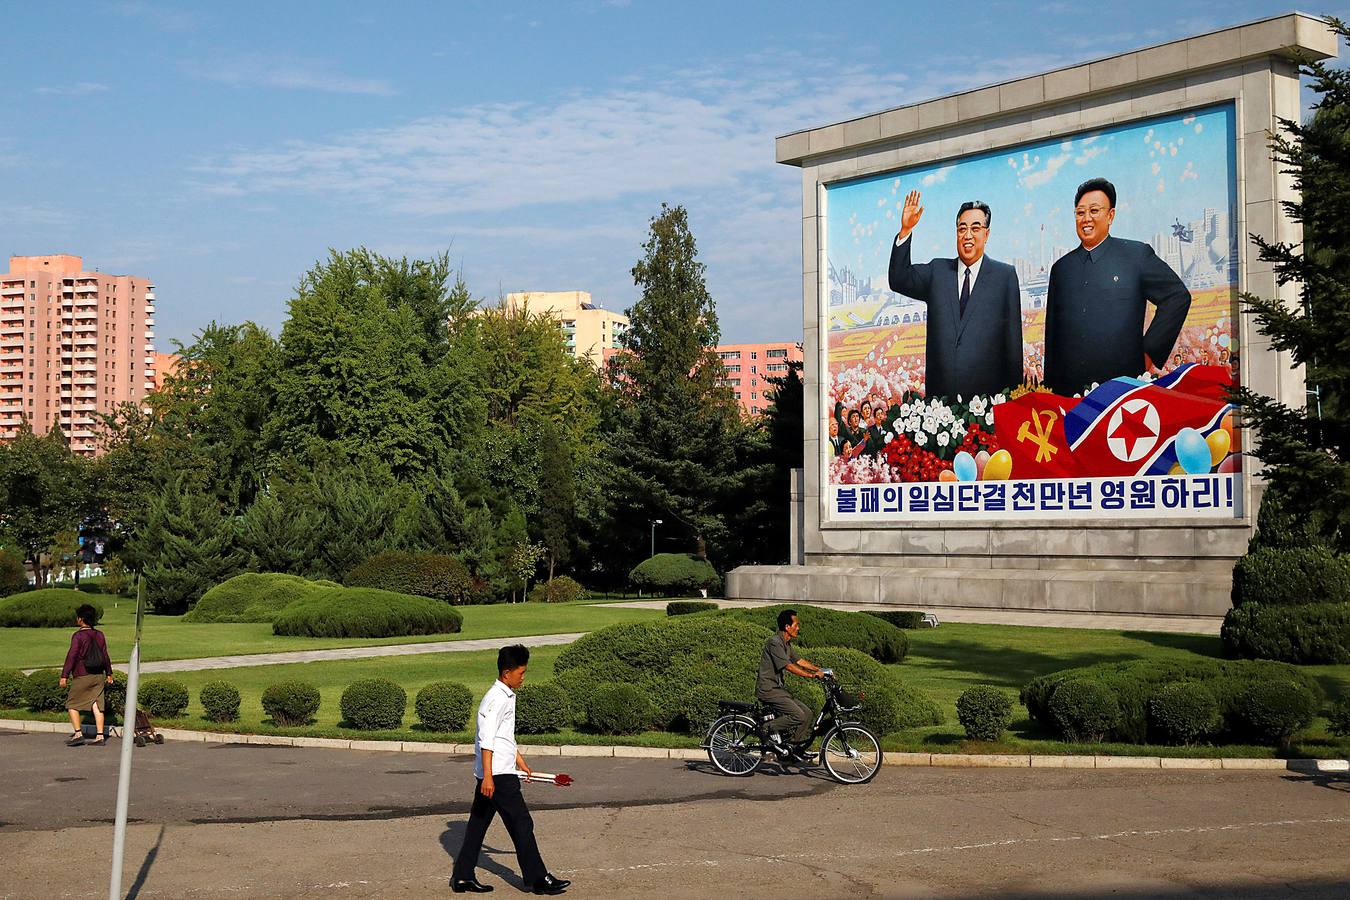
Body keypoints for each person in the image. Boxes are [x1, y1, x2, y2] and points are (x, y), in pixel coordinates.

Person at [1043, 177, 1192, 395]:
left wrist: (1149, 353)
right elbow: (1053, 337)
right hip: (1068, 394)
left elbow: (1177, 297)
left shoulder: (1136, 256)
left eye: (1094, 211)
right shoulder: (1061, 269)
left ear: (1110, 215)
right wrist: (1050, 391)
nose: (1086, 219)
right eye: (1080, 212)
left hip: (1121, 390)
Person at [451, 645, 570, 895]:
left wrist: (520, 760)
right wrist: (488, 777)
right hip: (498, 776)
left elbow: (503, 737)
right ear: (507, 673)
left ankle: (462, 877)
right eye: (521, 672)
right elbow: (487, 740)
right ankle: (538, 879)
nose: (523, 677)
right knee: (522, 823)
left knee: (477, 826)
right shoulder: (495, 699)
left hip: (501, 770)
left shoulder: (506, 695)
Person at [888, 191, 1024, 401]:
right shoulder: (937, 272)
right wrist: (906, 230)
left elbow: (1013, 346)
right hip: (941, 408)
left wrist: (1013, 403)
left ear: (986, 234)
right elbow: (898, 278)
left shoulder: (1004, 276)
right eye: (962, 228)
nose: (967, 235)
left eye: (975, 228)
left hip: (988, 407)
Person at [756, 609, 823, 763]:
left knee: (807, 714)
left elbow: (799, 661)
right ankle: (766, 729)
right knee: (798, 715)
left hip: (778, 689)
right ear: (787, 627)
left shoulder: (786, 643)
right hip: (768, 689)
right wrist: (812, 676)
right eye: (796, 625)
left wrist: (820, 670)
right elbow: (789, 666)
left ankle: (794, 749)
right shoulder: (774, 642)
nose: (798, 628)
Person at [60, 603, 112, 747]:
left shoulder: (78, 636)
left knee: (72, 704)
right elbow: (105, 655)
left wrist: (64, 675)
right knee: (97, 704)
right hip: (99, 675)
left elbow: (72, 656)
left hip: (82, 674)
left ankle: (78, 734)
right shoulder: (100, 634)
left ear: (81, 619)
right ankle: (100, 736)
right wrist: (109, 673)